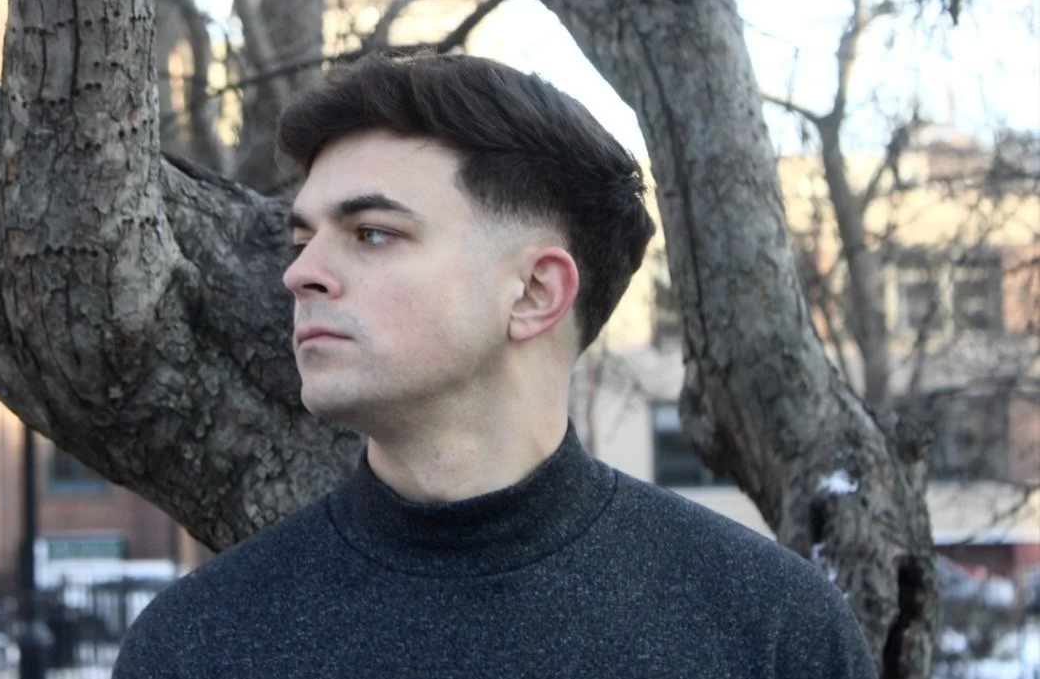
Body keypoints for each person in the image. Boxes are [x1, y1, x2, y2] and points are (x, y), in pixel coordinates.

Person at [114, 53, 877, 678]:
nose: (300, 274)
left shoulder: (769, 629)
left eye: (372, 233)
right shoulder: (200, 644)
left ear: (535, 291)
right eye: (301, 238)